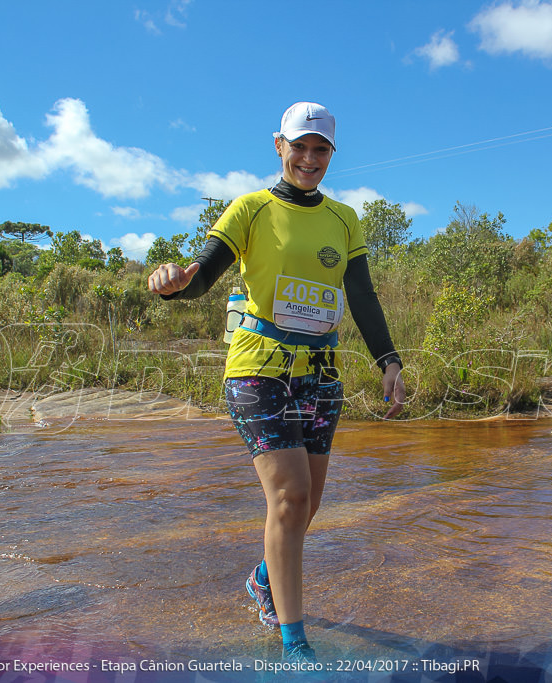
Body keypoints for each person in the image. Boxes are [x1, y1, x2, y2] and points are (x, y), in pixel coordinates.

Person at [148, 102, 406, 663]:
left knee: (306, 504)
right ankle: (296, 642)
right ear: (279, 146)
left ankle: (264, 576)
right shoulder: (250, 209)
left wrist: (389, 359)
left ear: (331, 154)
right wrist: (173, 282)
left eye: (321, 150)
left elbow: (361, 296)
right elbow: (200, 277)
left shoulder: (343, 219)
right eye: (300, 147)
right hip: (258, 370)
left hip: (319, 375)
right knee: (288, 498)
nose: (309, 159)